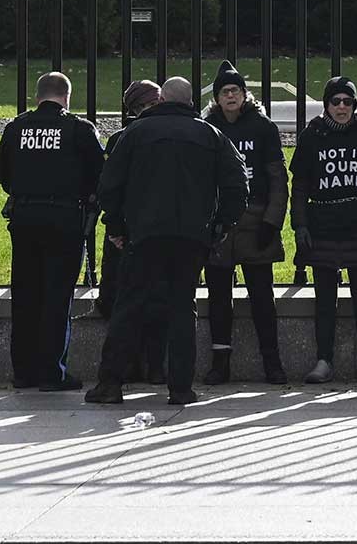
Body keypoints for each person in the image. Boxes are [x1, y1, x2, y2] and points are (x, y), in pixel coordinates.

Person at [87, 75, 249, 407]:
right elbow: (238, 184)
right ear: (191, 102)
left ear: (162, 100)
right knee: (181, 307)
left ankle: (111, 383)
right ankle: (180, 387)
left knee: (129, 307)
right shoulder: (210, 134)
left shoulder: (134, 134)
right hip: (191, 236)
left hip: (143, 235)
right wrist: (219, 226)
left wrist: (116, 225)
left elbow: (109, 186)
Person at [0, 69, 104, 392]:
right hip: (66, 218)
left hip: (25, 217)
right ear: (67, 97)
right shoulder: (79, 129)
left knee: (25, 294)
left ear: (37, 95)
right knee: (57, 297)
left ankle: (23, 371)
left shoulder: (16, 128)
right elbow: (99, 173)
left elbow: (6, 175)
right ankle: (51, 372)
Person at [292, 75, 357, 384]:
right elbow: (299, 186)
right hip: (323, 227)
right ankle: (323, 360)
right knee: (324, 300)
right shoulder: (312, 136)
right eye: (336, 101)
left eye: (348, 102)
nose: (342, 107)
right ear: (326, 105)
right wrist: (300, 225)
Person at [201, 64, 290, 385]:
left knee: (262, 298)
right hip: (221, 222)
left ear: (244, 93)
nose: (230, 95)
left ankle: (272, 362)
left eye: (235, 90)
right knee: (218, 298)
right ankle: (220, 363)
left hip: (256, 219)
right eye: (224, 91)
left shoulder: (263, 127)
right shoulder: (207, 126)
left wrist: (272, 222)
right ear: (216, 98)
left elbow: (278, 179)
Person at [90, 78, 161, 325]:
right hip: (164, 226)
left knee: (122, 297)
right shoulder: (179, 132)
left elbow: (109, 187)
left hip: (130, 226)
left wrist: (114, 227)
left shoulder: (121, 137)